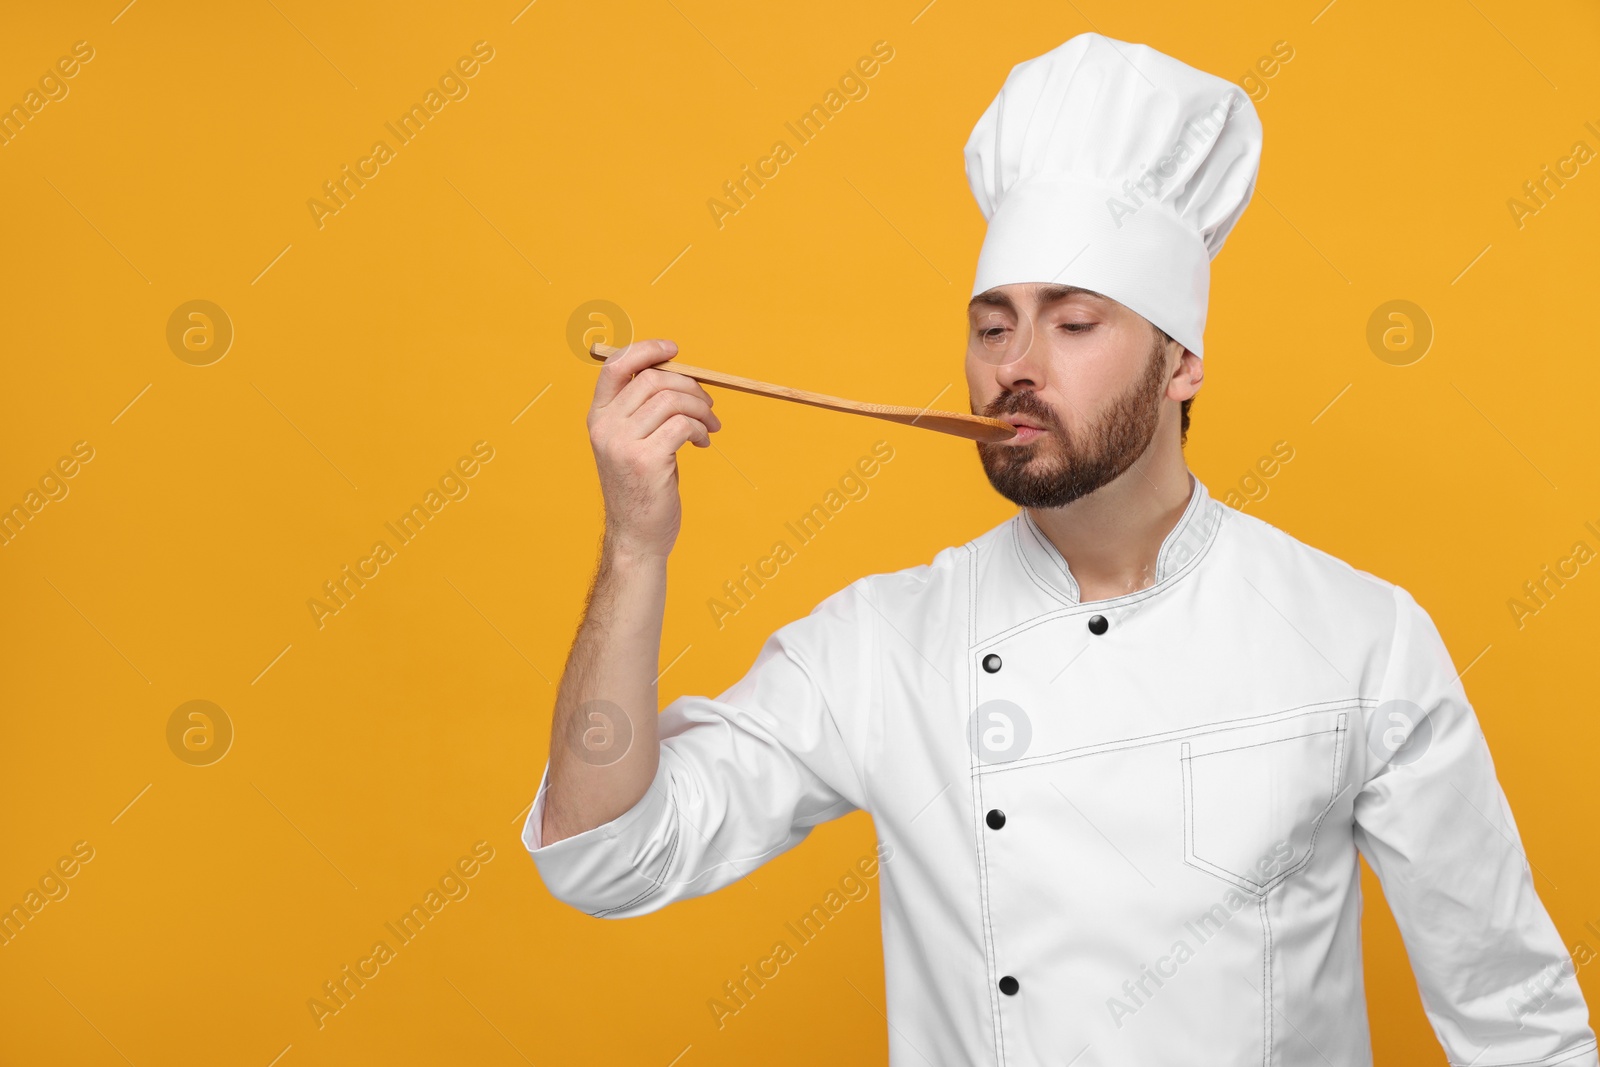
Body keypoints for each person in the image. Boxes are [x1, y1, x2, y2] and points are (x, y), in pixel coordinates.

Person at [523, 32, 1598, 1066]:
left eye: (1073, 323)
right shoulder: (883, 642)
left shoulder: (1359, 638)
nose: (1015, 367)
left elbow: (1512, 1011)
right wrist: (633, 548)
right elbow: (606, 853)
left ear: (1179, 362)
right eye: (993, 327)